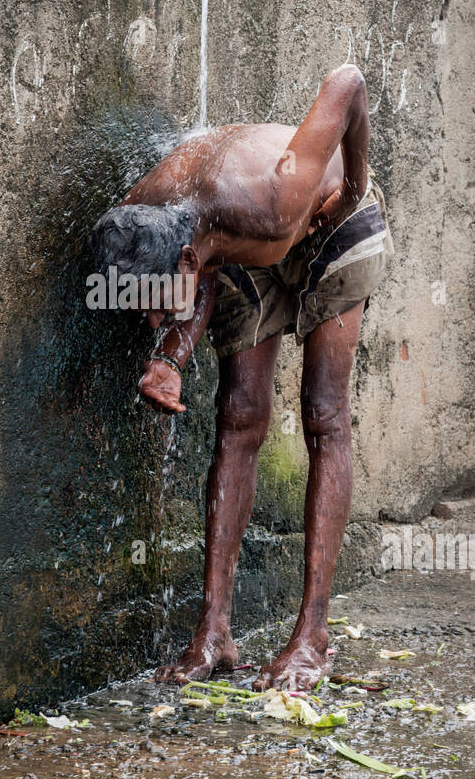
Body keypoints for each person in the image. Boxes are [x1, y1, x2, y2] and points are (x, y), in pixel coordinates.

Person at [89, 65, 393, 691]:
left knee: (323, 413)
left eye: (154, 304)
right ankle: (214, 634)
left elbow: (347, 81)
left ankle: (312, 636)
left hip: (331, 226)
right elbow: (196, 268)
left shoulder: (274, 199)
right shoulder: (141, 215)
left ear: (185, 258)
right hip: (247, 249)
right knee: (238, 413)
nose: (151, 317)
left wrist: (356, 185)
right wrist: (170, 358)